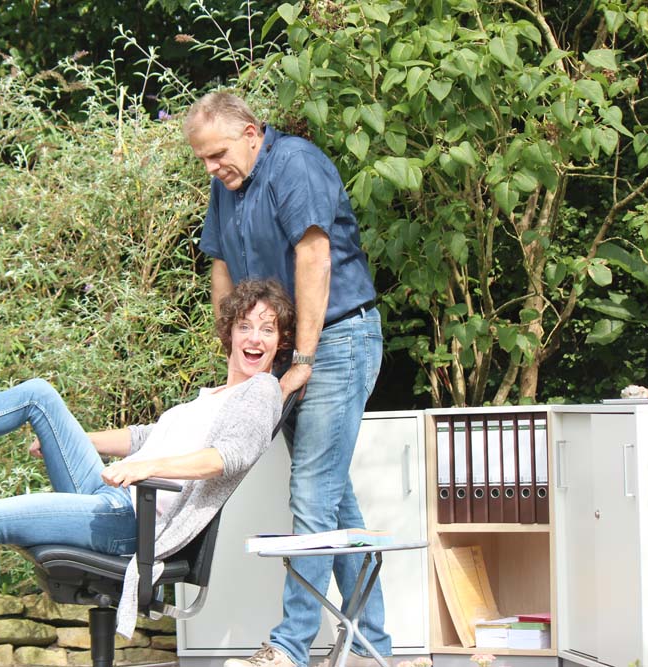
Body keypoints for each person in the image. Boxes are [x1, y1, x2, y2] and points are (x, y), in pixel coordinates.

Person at [0, 279, 294, 667]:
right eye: (245, 326)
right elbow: (142, 437)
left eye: (267, 329)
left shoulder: (260, 392)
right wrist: (68, 438)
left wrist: (147, 467)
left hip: (134, 521)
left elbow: (225, 457)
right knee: (39, 396)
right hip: (113, 496)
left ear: (279, 342)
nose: (255, 338)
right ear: (229, 333)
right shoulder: (210, 397)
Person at [184, 92, 387, 667]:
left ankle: (289, 648)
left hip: (336, 340)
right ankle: (372, 646)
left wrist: (302, 359)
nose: (211, 167)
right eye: (202, 159)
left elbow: (314, 258)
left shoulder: (294, 163)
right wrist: (237, 359)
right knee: (334, 503)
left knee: (312, 495)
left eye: (218, 154)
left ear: (251, 132)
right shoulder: (226, 186)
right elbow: (222, 266)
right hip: (285, 353)